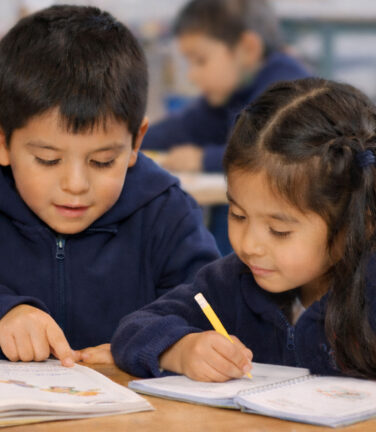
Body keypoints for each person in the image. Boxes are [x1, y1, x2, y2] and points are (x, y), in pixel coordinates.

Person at [0, 5, 220, 366]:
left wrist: (159, 344)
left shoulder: (167, 212)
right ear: (0, 139)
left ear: (136, 142)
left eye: (102, 161)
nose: (75, 185)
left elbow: (206, 306)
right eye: (48, 160)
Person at [112, 78, 376, 381]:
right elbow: (134, 328)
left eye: (278, 230)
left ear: (360, 222)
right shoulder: (231, 281)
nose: (249, 245)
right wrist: (180, 348)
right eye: (238, 215)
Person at [144, 0, 310, 254]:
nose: (191, 75)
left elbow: (268, 155)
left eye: (200, 60)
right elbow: (185, 127)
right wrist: (131, 137)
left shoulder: (288, 89)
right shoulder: (232, 90)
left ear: (248, 48)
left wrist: (204, 159)